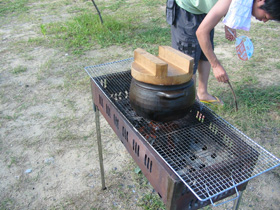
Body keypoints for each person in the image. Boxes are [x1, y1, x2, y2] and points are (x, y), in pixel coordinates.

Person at [167, 0, 280, 105]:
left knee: (206, 49)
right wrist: (216, 65)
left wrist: (230, 21)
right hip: (187, 7)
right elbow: (201, 32)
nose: (264, 21)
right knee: (188, 59)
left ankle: (202, 93)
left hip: (205, 7)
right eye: (265, 16)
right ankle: (190, 101)